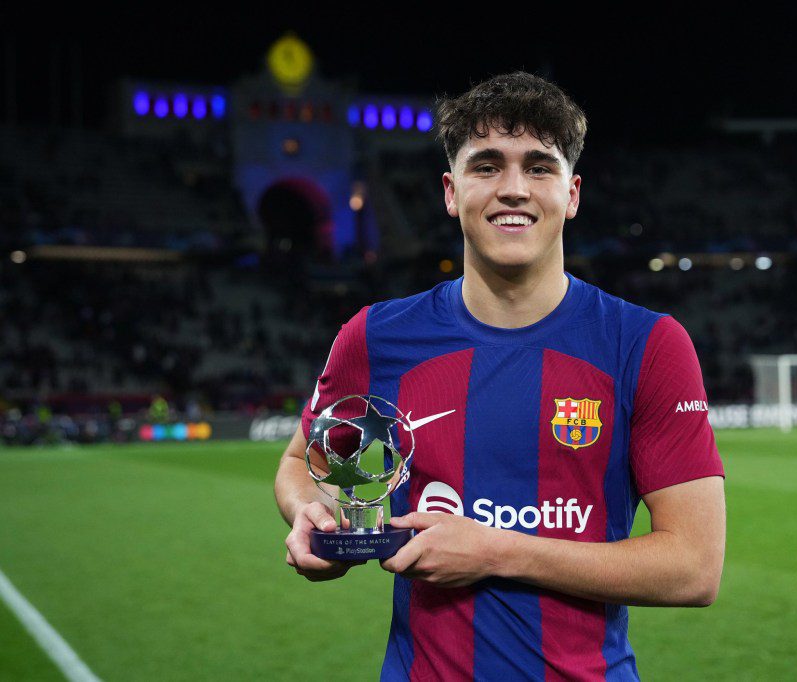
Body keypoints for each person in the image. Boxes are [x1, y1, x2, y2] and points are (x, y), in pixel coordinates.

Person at [274, 71, 726, 681]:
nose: (513, 188)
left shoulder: (646, 345)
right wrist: (314, 518)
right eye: (486, 166)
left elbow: (695, 566)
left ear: (572, 194)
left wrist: (494, 550)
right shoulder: (374, 337)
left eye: (539, 167)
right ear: (450, 190)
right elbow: (303, 461)